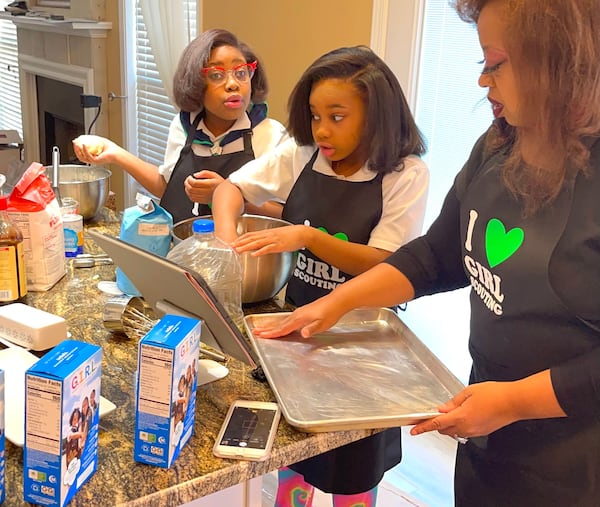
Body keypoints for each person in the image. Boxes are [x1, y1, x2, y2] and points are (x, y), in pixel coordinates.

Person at [251, 1, 600, 505]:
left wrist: (516, 401)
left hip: (574, 463)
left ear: (561, 61)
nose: (484, 81)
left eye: (495, 62)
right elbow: (437, 256)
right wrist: (334, 305)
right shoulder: (498, 147)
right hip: (489, 430)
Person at [212, 45, 428, 506]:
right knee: (296, 460)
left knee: (352, 475)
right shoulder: (303, 153)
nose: (321, 130)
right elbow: (231, 188)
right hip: (299, 335)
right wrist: (227, 239)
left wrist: (307, 238)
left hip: (364, 351)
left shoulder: (405, 174)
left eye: (337, 116)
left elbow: (385, 262)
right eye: (314, 115)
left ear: (377, 116)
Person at [72, 28, 288, 224]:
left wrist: (225, 195)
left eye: (241, 72)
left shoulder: (269, 135)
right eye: (216, 75)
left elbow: (286, 214)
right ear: (196, 84)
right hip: (183, 250)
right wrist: (115, 153)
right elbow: (168, 187)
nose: (233, 84)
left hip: (245, 260)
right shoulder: (184, 127)